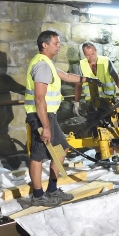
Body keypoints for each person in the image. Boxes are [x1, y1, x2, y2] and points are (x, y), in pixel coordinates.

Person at [25, 31, 96, 207]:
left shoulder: (48, 64)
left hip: (49, 115)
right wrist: (46, 127)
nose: (59, 46)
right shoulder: (41, 65)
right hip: (40, 115)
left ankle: (52, 188)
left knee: (62, 148)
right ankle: (37, 195)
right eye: (56, 43)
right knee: (38, 155)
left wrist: (89, 79)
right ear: (44, 45)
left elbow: (66, 76)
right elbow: (39, 99)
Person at [73, 42, 119, 126]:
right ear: (84, 54)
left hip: (109, 101)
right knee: (93, 127)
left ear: (96, 51)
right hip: (92, 103)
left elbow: (116, 77)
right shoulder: (82, 65)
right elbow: (78, 85)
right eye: (88, 55)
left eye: (92, 54)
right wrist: (76, 103)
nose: (91, 57)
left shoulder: (106, 61)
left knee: (113, 125)